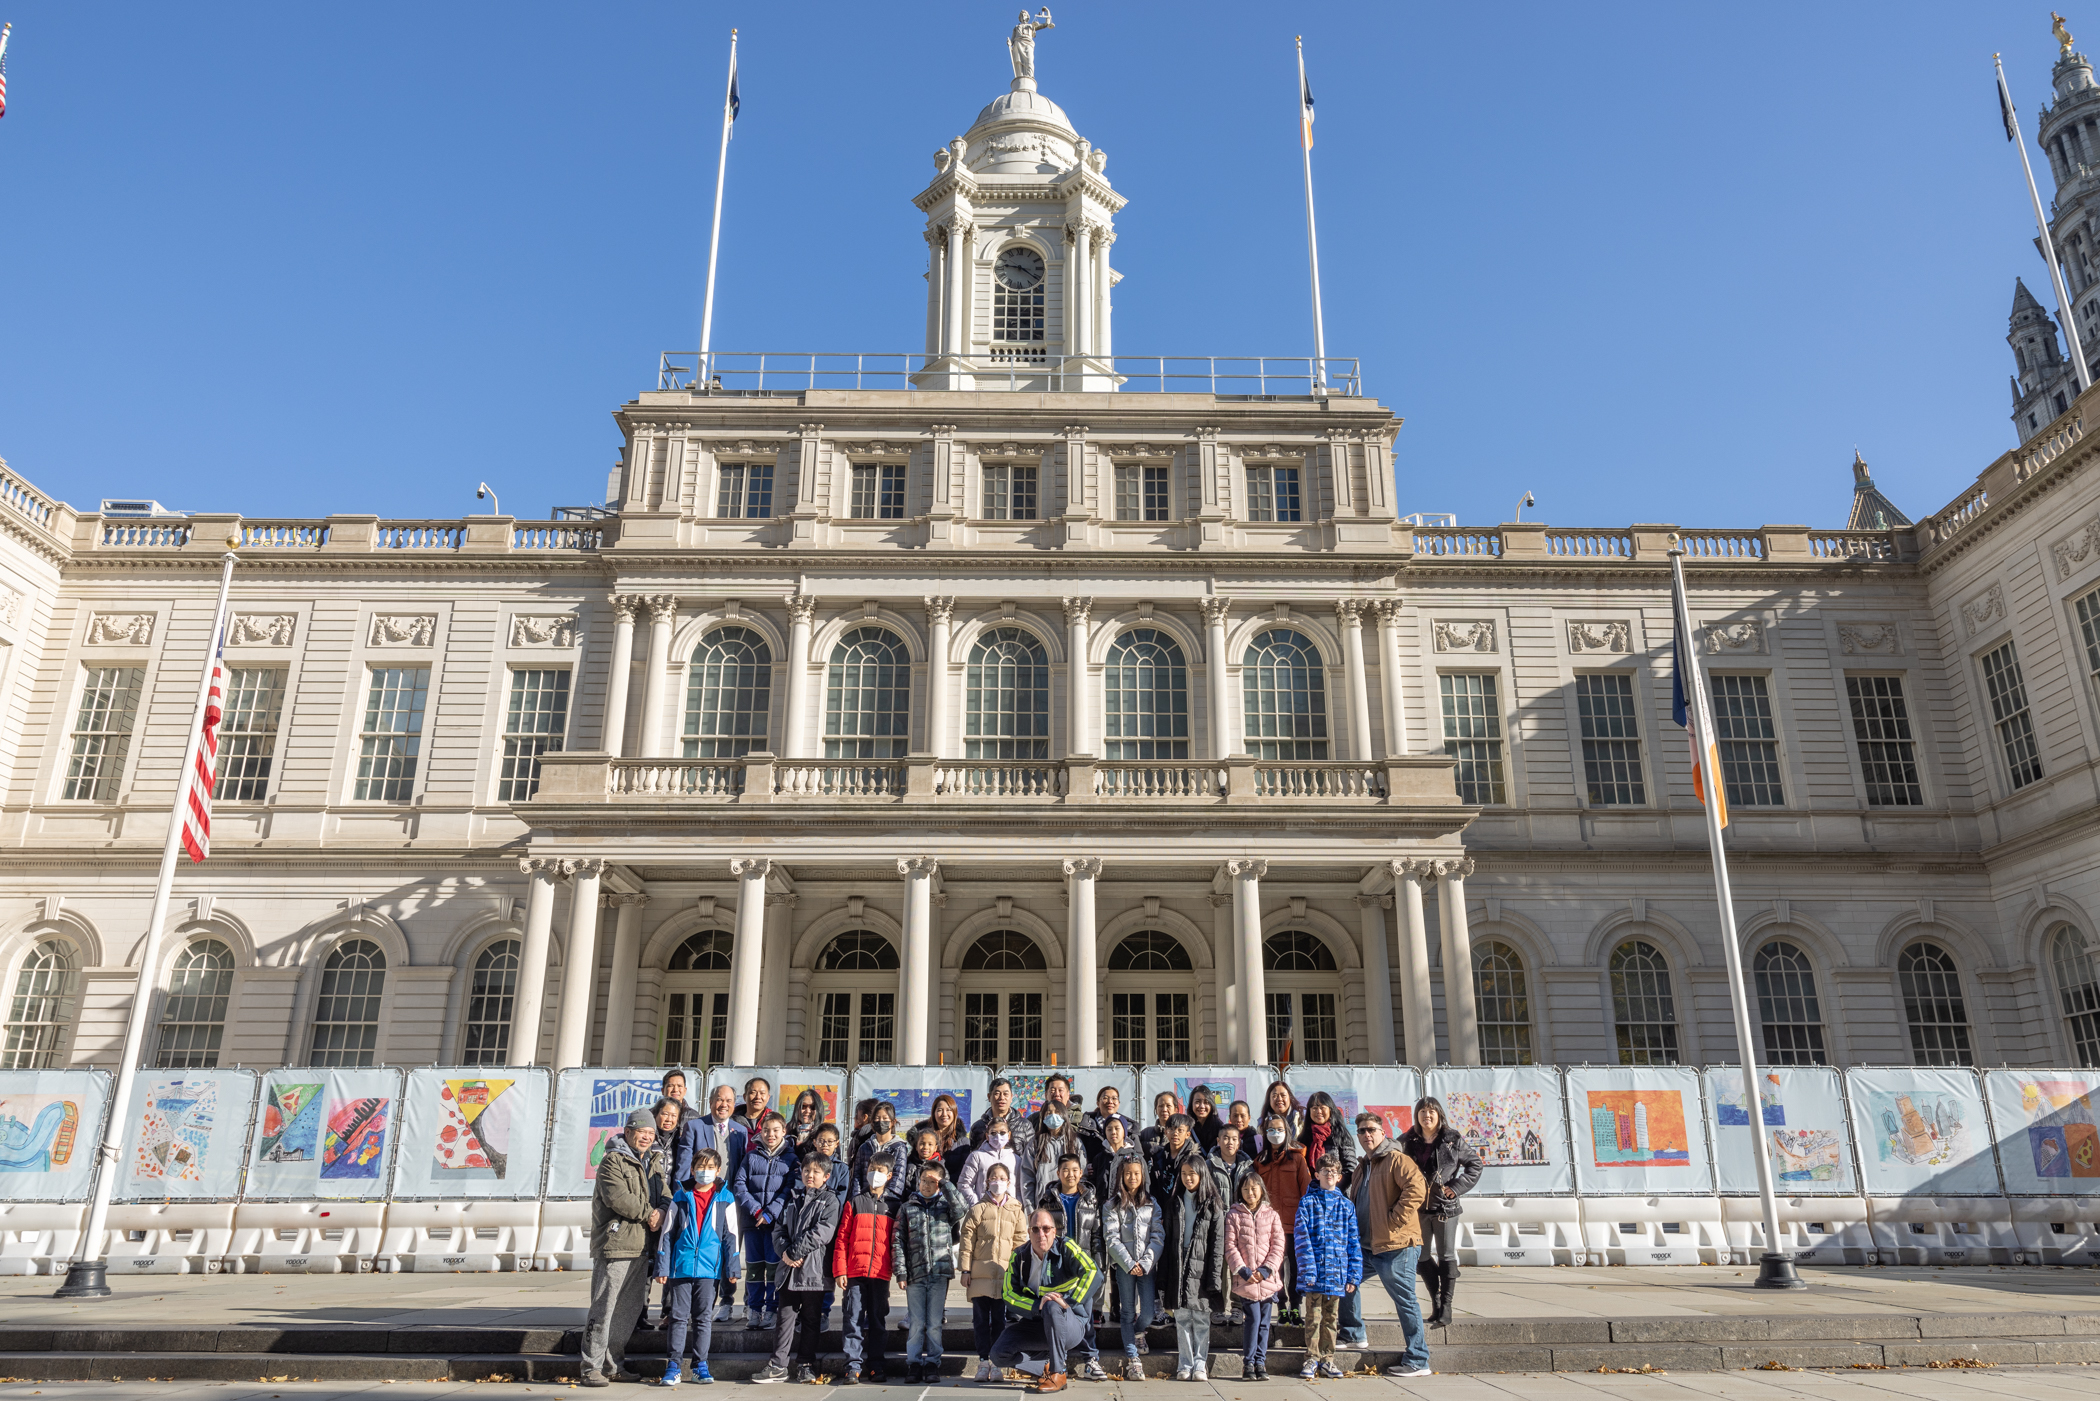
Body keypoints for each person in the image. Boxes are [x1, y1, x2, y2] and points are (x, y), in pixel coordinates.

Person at [581, 1109, 663, 1387]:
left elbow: (665, 1193)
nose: (647, 1137)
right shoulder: (612, 1162)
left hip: (641, 1246)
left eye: (651, 1133)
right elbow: (618, 1198)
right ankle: (590, 1366)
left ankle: (613, 1363)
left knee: (626, 1312)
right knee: (604, 1308)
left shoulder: (653, 1161)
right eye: (642, 1132)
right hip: (615, 1246)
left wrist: (662, 1211)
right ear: (628, 1133)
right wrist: (651, 1213)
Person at [1350, 1112, 1431, 1377]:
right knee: (1344, 1282)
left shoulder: (1397, 1159)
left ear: (1382, 1132)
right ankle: (1353, 1333)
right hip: (1367, 1247)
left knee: (1405, 1300)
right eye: (1361, 1131)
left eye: (1371, 1129)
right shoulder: (1363, 1166)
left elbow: (1417, 1189)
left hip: (1396, 1247)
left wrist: (1394, 1219)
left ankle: (1418, 1359)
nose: (1366, 1135)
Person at [653, 1147, 740, 1386]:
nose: (705, 1172)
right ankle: (673, 1366)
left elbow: (731, 1235)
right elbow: (667, 1234)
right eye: (701, 1167)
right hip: (681, 1268)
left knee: (703, 1319)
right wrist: (662, 1266)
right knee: (678, 1317)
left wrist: (732, 1268)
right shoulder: (680, 1195)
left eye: (710, 1167)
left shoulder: (725, 1197)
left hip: (709, 1270)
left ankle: (701, 1365)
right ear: (692, 1169)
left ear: (718, 1170)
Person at [990, 1208, 1100, 1395]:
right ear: (1029, 1232)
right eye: (1035, 1229)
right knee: (998, 1354)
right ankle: (1044, 1366)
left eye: (1046, 1228)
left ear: (1054, 1231)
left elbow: (1094, 1273)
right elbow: (1008, 1295)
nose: (1041, 1234)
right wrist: (1036, 1307)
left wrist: (1068, 1302)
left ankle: (1059, 1373)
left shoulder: (1066, 1247)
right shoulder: (1019, 1256)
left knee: (1052, 1304)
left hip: (1070, 1324)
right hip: (1037, 1322)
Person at [752, 1156, 839, 1384]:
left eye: (816, 1172)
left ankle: (805, 1364)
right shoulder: (792, 1198)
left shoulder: (830, 1200)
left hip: (814, 1272)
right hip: (789, 1271)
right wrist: (785, 1253)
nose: (810, 1175)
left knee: (810, 1319)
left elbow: (822, 1233)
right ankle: (778, 1365)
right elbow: (778, 1230)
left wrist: (795, 1252)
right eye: (806, 1170)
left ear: (826, 1176)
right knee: (785, 1318)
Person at [1400, 1096, 1482, 1330]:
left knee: (1446, 1255)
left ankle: (1446, 1306)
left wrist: (1455, 1188)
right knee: (1421, 1256)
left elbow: (1475, 1164)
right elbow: (1392, 1156)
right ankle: (1435, 1299)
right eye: (1422, 1112)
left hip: (1446, 1209)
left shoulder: (1451, 1139)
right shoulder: (1408, 1139)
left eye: (1431, 1112)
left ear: (1439, 1115)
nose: (1427, 1116)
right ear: (1416, 1116)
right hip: (1418, 1208)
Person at [1035, 1152, 1107, 1382]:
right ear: (1058, 1173)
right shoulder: (1048, 1200)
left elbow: (1097, 1234)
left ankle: (1090, 1359)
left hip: (1083, 1266)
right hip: (1058, 1265)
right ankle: (1058, 1360)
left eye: (1075, 1170)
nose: (1070, 1174)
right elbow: (1041, 1233)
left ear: (1081, 1172)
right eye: (1065, 1170)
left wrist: (1099, 1264)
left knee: (1084, 1313)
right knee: (1056, 1313)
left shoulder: (1090, 1198)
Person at [894, 1162, 969, 1382]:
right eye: (924, 1180)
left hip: (939, 1273)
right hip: (915, 1274)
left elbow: (962, 1207)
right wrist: (901, 1272)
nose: (927, 1184)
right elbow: (898, 1241)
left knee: (935, 1323)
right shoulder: (908, 1207)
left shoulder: (945, 1206)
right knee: (917, 1323)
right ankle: (914, 1363)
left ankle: (933, 1363)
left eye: (932, 1181)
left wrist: (945, 1183)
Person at [831, 1150, 899, 1384]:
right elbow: (842, 1238)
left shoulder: (893, 1205)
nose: (874, 1174)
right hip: (855, 1272)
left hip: (880, 1273)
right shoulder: (855, 1202)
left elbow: (897, 1242)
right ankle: (852, 1365)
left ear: (889, 1176)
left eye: (880, 1171)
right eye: (871, 1170)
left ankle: (876, 1364)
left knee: (878, 1319)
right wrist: (840, 1270)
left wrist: (898, 1272)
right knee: (853, 1317)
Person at [1291, 1152, 1360, 1381]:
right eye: (1325, 1171)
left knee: (1331, 1319)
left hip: (1337, 1274)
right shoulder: (1307, 1203)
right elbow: (1302, 1240)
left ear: (1339, 1177)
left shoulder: (1346, 1206)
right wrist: (1308, 1270)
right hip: (1315, 1274)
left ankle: (1328, 1359)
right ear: (1317, 1174)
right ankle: (1311, 1357)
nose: (1329, 1175)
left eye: (1334, 1172)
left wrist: (1353, 1275)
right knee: (1313, 1317)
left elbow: (1353, 1242)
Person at [958, 1161, 1029, 1382]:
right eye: (993, 1177)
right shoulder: (977, 1209)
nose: (997, 1181)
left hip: (1004, 1275)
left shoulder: (1016, 1209)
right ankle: (982, 1361)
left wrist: (1019, 1273)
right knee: (980, 1320)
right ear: (987, 1181)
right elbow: (967, 1241)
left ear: (1009, 1182)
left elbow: (1021, 1242)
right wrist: (965, 1269)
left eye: (1002, 1178)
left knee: (999, 1320)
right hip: (980, 1274)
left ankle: (997, 1364)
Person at [1157, 1155, 1225, 1383]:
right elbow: (1167, 1242)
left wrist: (1215, 1278)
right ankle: (1184, 1363)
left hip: (1202, 1265)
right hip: (1179, 1262)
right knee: (1183, 1318)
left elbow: (1217, 1245)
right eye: (1184, 1174)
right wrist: (1164, 1276)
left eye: (1192, 1174)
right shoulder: (1174, 1202)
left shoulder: (1213, 1204)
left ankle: (1199, 1364)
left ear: (1202, 1175)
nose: (1188, 1178)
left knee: (1201, 1319)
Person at [683, 1086, 747, 1322]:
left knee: (730, 1252)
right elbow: (683, 1166)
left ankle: (727, 1302)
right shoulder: (695, 1126)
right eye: (719, 1100)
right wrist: (684, 1196)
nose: (724, 1104)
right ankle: (701, 1305)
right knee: (703, 1251)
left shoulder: (740, 1131)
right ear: (711, 1102)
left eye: (729, 1100)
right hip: (700, 1201)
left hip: (729, 1203)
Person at [1099, 1156, 1161, 1381]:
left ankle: (1138, 1332)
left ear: (1142, 1175)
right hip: (1124, 1267)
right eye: (1128, 1174)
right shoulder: (1112, 1205)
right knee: (1126, 1312)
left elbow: (1157, 1235)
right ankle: (1133, 1359)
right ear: (1121, 1176)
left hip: (1146, 1266)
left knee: (1147, 1312)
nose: (1132, 1177)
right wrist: (1128, 1264)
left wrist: (1145, 1263)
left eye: (1136, 1173)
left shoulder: (1152, 1203)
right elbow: (1111, 1237)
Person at [732, 1112, 795, 1331]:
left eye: (776, 1130)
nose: (771, 1134)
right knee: (754, 1269)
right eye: (766, 1130)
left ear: (784, 1132)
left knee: (773, 1268)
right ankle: (754, 1308)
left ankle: (771, 1309)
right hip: (752, 1223)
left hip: (775, 1225)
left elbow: (789, 1190)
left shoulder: (790, 1158)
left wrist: (770, 1213)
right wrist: (756, 1209)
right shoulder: (751, 1156)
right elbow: (739, 1185)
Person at [1225, 1174, 1285, 1381]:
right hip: (1247, 1280)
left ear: (1261, 1189)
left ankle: (1261, 1362)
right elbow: (1230, 1246)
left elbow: (1278, 1245)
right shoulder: (1234, 1215)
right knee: (1253, 1319)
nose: (1250, 1193)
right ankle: (1248, 1363)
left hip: (1266, 1280)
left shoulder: (1272, 1215)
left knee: (1265, 1322)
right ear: (1239, 1192)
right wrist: (1242, 1270)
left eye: (1254, 1189)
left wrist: (1267, 1269)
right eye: (1245, 1189)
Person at [1254, 1112, 1311, 1326]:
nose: (1275, 1134)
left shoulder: (1297, 1158)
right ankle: (1281, 1306)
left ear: (1287, 1132)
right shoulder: (1260, 1161)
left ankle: (1296, 1306)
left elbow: (1306, 1191)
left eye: (1279, 1129)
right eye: (1271, 1130)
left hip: (1293, 1224)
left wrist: (1305, 1221)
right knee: (1274, 1267)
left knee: (1295, 1267)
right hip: (1269, 1227)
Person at [959, 1112, 1028, 1205]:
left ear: (1009, 1135)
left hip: (1009, 1213)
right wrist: (977, 1205)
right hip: (984, 1212)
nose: (998, 1137)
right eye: (993, 1133)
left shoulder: (1016, 1159)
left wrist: (1017, 1207)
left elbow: (1019, 1189)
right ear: (987, 1136)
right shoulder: (977, 1156)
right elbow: (964, 1184)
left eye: (1003, 1133)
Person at [855, 1100, 911, 1204]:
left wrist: (888, 1199)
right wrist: (857, 1199)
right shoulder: (864, 1147)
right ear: (872, 1122)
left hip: (887, 1203)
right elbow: (857, 1177)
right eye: (877, 1118)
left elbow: (898, 1179)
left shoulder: (899, 1147)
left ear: (893, 1122)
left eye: (885, 1118)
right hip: (864, 1200)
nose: (881, 1121)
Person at [913, 1092, 972, 1179]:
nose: (944, 1114)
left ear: (954, 1113)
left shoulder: (963, 1142)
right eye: (940, 1110)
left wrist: (943, 1185)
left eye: (948, 1110)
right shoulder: (922, 1138)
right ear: (934, 1113)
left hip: (951, 1189)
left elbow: (962, 1173)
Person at [1206, 1124, 1255, 1206]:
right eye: (1226, 1138)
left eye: (1234, 1139)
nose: (1230, 1142)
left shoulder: (1247, 1166)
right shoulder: (1209, 1165)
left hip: (1240, 1216)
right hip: (1217, 1216)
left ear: (1239, 1143)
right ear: (1218, 1141)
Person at [1139, 1092, 1181, 1159]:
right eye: (1161, 1106)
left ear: (1176, 1109)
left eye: (1168, 1106)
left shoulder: (1182, 1134)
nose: (1164, 1109)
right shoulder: (1145, 1134)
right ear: (1156, 1110)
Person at [1187, 1086, 1222, 1153]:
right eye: (1197, 1102)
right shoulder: (1187, 1127)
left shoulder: (1220, 1128)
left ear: (1211, 1104)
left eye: (1206, 1102)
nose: (1202, 1106)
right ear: (1191, 1104)